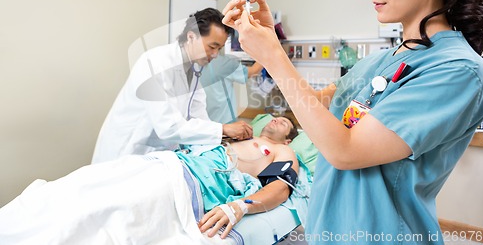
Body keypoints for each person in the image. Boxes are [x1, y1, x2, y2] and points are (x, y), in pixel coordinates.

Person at [222, 0, 483, 244]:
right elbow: (318, 104)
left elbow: (346, 151)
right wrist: (273, 45)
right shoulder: (382, 59)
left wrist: (273, 58)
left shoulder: (457, 69)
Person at [0, 116, 300, 244]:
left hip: (186, 183)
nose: (276, 119)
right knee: (79, 186)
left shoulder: (282, 150)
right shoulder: (235, 135)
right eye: (274, 117)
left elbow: (280, 190)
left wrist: (240, 206)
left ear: (288, 136)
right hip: (163, 163)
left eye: (284, 122)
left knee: (106, 212)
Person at [92, 8, 253, 164]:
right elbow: (167, 126)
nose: (216, 54)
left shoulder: (194, 69)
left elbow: (199, 117)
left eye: (219, 48)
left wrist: (224, 139)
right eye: (212, 46)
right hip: (127, 150)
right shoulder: (155, 63)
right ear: (191, 37)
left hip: (157, 156)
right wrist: (223, 129)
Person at [201, 54, 263, 123]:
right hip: (224, 122)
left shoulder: (193, 64)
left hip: (205, 124)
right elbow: (252, 71)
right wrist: (266, 53)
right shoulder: (222, 62)